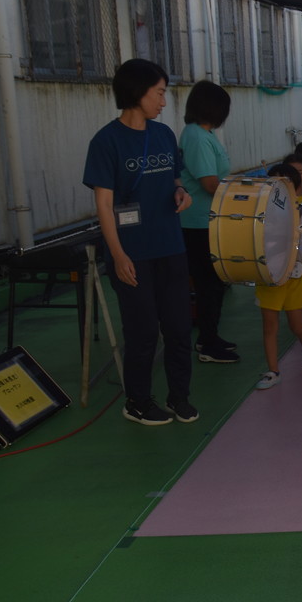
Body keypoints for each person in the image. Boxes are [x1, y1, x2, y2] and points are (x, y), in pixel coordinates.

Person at [82, 59, 196, 425]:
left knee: (179, 327)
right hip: (132, 253)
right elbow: (104, 204)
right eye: (159, 93)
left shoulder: (163, 135)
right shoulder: (106, 141)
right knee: (143, 331)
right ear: (137, 92)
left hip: (171, 247)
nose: (163, 101)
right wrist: (118, 255)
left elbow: (175, 179)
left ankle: (179, 396)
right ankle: (137, 401)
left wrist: (181, 193)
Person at [178, 80, 238, 364]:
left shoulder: (206, 134)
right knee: (208, 283)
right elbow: (210, 183)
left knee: (214, 282)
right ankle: (208, 343)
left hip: (210, 219)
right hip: (198, 222)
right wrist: (240, 194)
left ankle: (209, 336)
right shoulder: (197, 137)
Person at [254, 163, 302, 389]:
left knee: (297, 323)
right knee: (269, 325)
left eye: (283, 184)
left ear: (296, 188)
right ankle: (273, 370)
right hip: (269, 277)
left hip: (294, 277)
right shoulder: (259, 214)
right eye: (273, 183)